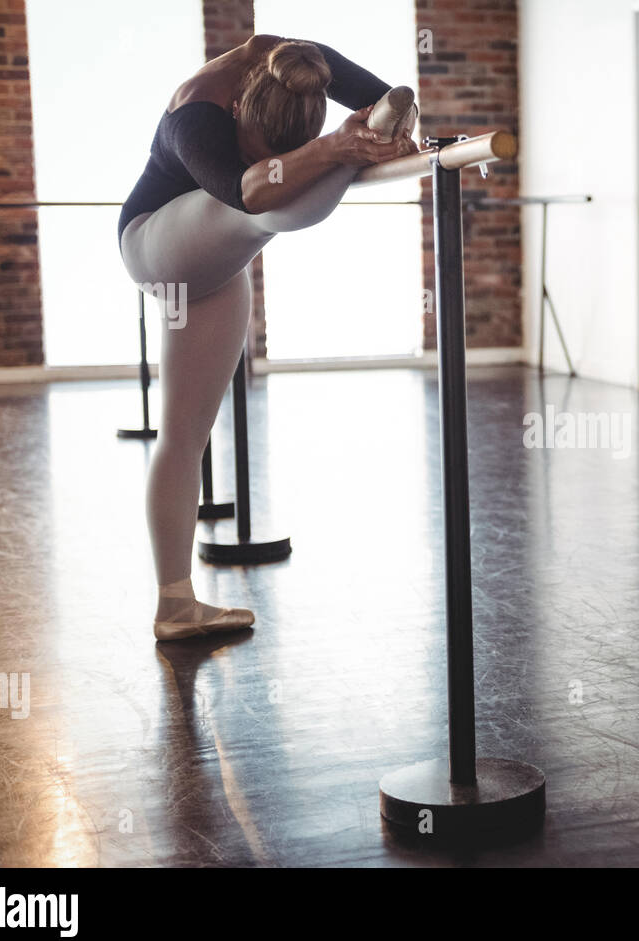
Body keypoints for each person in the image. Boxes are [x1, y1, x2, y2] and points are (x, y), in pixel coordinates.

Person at [117, 35, 418, 641]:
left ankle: (175, 607)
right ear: (238, 113)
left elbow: (397, 97)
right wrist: (337, 148)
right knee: (261, 204)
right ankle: (345, 154)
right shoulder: (197, 111)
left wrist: (396, 122)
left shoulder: (305, 65)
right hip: (156, 246)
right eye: (263, 150)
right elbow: (253, 192)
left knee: (183, 435)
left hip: (213, 271)